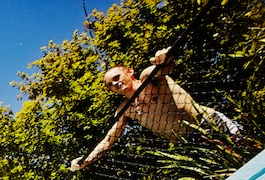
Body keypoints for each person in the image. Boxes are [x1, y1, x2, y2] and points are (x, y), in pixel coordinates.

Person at [71, 48, 242, 171]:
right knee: (226, 176)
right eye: (110, 84)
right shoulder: (125, 109)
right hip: (189, 144)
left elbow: (166, 67)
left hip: (209, 124)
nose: (115, 84)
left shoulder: (148, 78)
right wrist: (86, 159)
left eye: (116, 78)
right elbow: (108, 141)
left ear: (129, 72)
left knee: (247, 155)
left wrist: (164, 58)